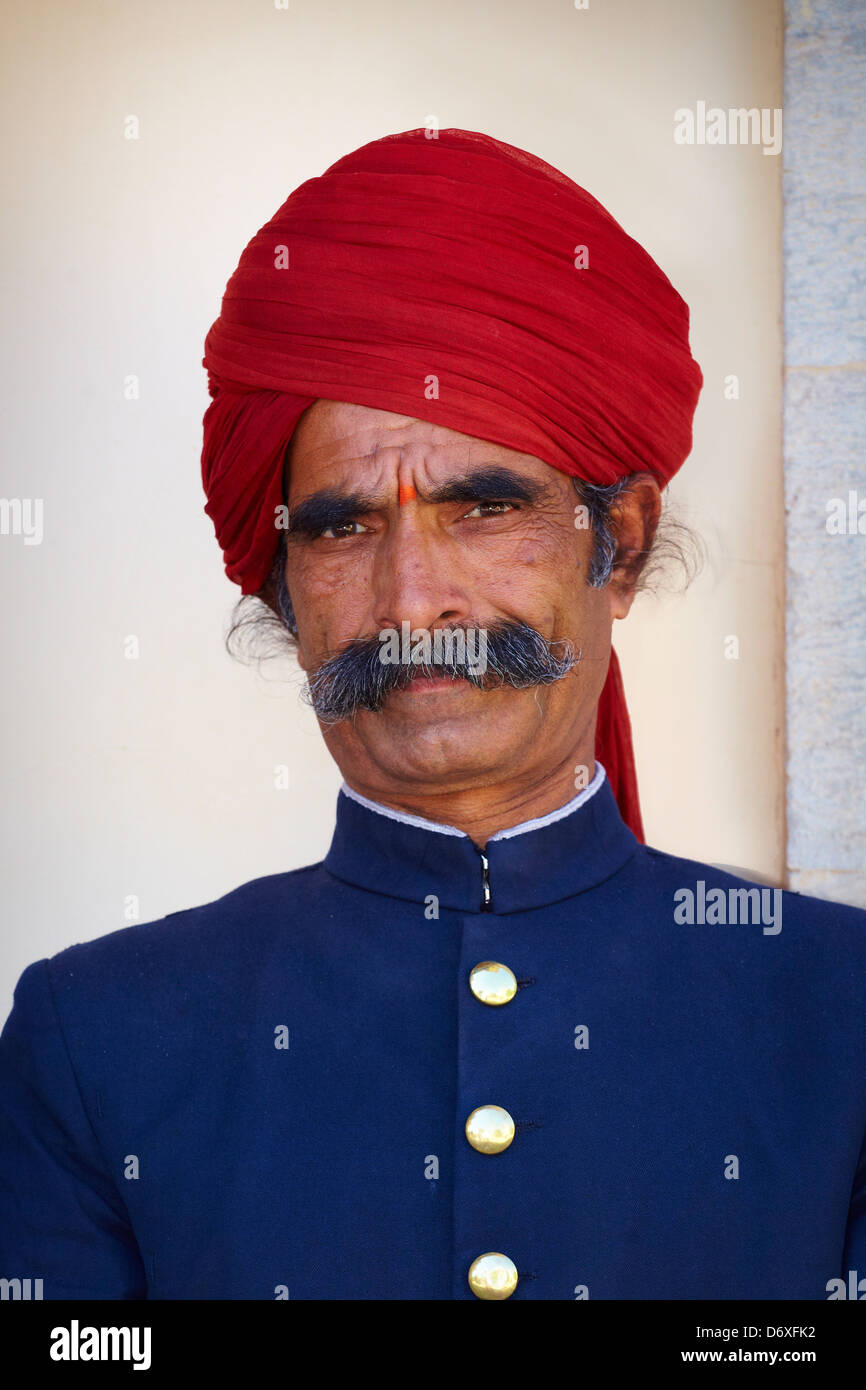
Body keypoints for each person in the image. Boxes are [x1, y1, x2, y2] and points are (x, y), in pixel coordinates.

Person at [1, 129, 864, 1302]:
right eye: (344, 527)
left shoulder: (839, 1009)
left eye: (484, 506)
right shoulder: (93, 1037)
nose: (413, 601)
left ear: (621, 541)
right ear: (282, 583)